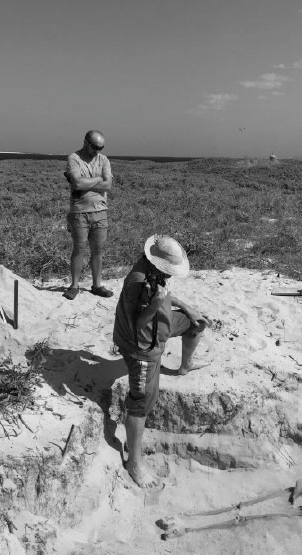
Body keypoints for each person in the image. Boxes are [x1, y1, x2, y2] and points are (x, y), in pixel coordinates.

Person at [113, 235, 208, 487]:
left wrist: (186, 308)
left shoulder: (152, 270)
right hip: (142, 347)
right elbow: (137, 324)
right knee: (141, 403)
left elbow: (164, 296)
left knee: (198, 324)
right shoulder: (137, 281)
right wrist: (155, 304)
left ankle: (184, 367)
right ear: (157, 263)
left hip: (160, 326)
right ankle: (134, 462)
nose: (171, 275)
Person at [62, 130, 114, 300]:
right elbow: (77, 183)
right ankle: (74, 286)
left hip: (100, 211)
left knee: (97, 250)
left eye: (101, 148)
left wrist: (88, 183)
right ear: (86, 142)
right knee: (79, 249)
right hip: (79, 212)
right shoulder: (74, 158)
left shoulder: (104, 160)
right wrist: (98, 180)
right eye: (95, 147)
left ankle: (97, 285)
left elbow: (108, 185)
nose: (98, 151)